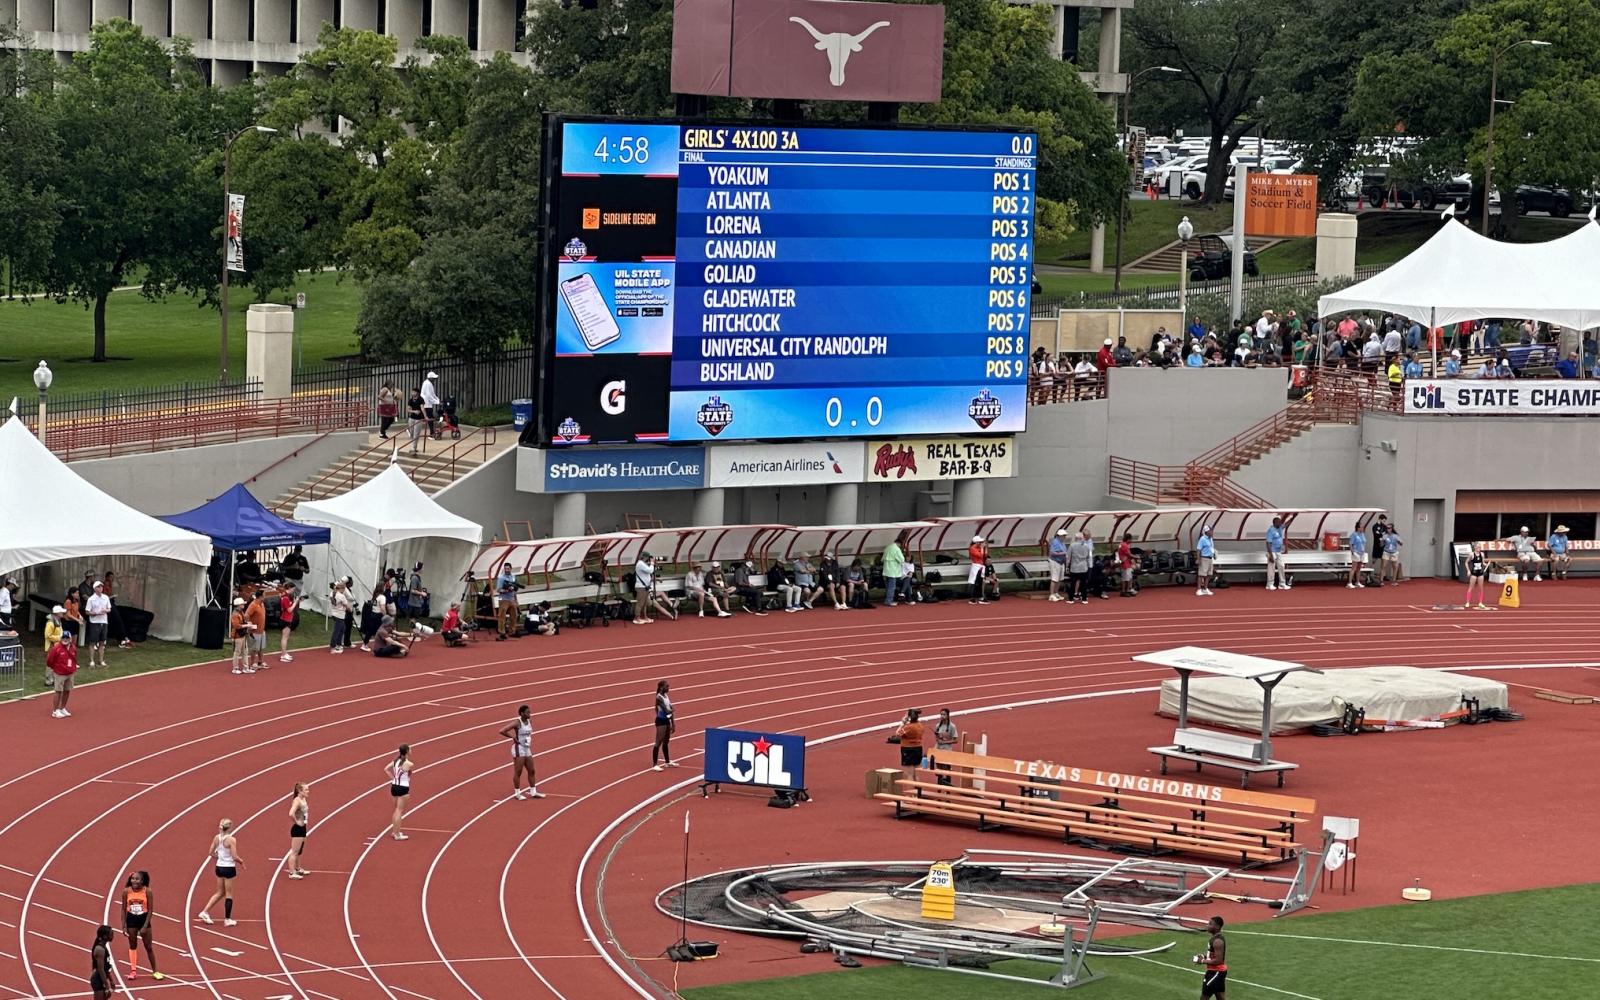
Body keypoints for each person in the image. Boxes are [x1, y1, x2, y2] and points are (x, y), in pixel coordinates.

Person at [196, 818, 243, 926]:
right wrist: (241, 861)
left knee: (220, 892)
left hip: (219, 867)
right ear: (230, 827)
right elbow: (234, 856)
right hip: (229, 868)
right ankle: (227, 919)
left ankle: (205, 912)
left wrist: (220, 857)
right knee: (229, 894)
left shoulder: (217, 838)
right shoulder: (231, 840)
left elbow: (211, 853)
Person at [121, 870, 162, 981]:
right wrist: (123, 925)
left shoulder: (147, 891)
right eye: (133, 879)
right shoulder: (126, 891)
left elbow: (150, 910)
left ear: (142, 880)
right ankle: (133, 971)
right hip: (131, 921)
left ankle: (155, 971)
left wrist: (144, 926)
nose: (134, 881)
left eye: (137, 879)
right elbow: (123, 909)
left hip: (144, 920)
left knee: (148, 947)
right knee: (133, 945)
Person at [501, 705, 547, 799]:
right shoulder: (517, 722)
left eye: (529, 712)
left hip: (527, 748)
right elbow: (502, 730)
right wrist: (513, 737)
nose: (529, 714)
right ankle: (517, 793)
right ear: (522, 713)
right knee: (518, 771)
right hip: (519, 748)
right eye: (527, 712)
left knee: (532, 770)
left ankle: (533, 791)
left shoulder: (530, 721)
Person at [1195, 915, 1227, 999]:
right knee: (1220, 997)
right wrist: (1203, 957)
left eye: (1210, 924)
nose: (1207, 926)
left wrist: (1202, 961)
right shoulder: (1214, 938)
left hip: (1215, 973)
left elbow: (1218, 960)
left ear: (1217, 927)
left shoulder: (1217, 941)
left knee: (1204, 997)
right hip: (1217, 972)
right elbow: (1213, 956)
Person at [48, 628, 78, 718]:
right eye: (63, 638)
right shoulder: (56, 648)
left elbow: (74, 658)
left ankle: (62, 708)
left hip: (70, 672)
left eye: (67, 638)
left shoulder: (73, 647)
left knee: (67, 690)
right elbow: (50, 661)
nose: (65, 639)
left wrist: (73, 667)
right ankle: (55, 710)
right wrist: (56, 668)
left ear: (70, 639)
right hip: (60, 673)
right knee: (58, 691)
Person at [387, 745, 414, 840]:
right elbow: (409, 773)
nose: (411, 750)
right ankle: (397, 835)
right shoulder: (409, 764)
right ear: (407, 751)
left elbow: (386, 769)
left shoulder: (395, 761)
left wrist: (393, 778)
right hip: (403, 788)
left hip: (394, 787)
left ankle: (395, 832)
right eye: (410, 749)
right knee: (399, 811)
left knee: (396, 810)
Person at [285, 783, 310, 879]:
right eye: (306, 790)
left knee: (300, 850)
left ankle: (298, 868)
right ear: (300, 791)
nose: (308, 791)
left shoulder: (303, 799)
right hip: (298, 828)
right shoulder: (297, 801)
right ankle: (292, 873)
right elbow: (291, 813)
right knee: (295, 851)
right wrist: (297, 822)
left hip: (303, 827)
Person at [85, 581, 112, 669]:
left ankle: (101, 660)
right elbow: (87, 611)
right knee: (92, 642)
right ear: (95, 588)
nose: (100, 588)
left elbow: (109, 609)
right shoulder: (91, 599)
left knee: (102, 642)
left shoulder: (106, 597)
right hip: (94, 622)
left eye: (101, 587)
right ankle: (92, 660)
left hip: (104, 622)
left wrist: (106, 611)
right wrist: (96, 613)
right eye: (98, 587)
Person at [652, 680, 678, 771]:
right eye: (666, 686)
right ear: (661, 687)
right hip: (661, 721)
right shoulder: (659, 698)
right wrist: (672, 710)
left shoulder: (666, 696)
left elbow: (670, 709)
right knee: (658, 742)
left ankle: (667, 761)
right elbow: (667, 710)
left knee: (666, 742)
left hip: (666, 720)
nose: (668, 688)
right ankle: (655, 764)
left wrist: (673, 723)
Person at [1067, 531, 1095, 604]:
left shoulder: (1072, 545)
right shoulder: (1086, 546)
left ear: (1076, 538)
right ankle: (1084, 599)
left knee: (1073, 583)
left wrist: (1067, 565)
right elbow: (1088, 557)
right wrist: (1089, 565)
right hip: (1083, 567)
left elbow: (1068, 556)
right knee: (1084, 584)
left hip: (1074, 567)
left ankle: (1071, 599)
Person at [90, 925, 116, 1000]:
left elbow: (106, 967)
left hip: (102, 979)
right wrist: (107, 986)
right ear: (105, 936)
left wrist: (111, 980)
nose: (112, 936)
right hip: (98, 979)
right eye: (111, 934)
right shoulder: (100, 950)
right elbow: (101, 969)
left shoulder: (104, 947)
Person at [1264, 516, 1289, 591]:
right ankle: (1270, 584)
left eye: (1280, 522)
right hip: (1272, 551)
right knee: (1271, 567)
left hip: (1278, 552)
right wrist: (1271, 555)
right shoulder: (1271, 530)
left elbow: (1287, 524)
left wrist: (1294, 516)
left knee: (1281, 566)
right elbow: (1268, 543)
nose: (1280, 523)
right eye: (1279, 522)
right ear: (1274, 523)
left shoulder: (1280, 528)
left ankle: (1282, 584)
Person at [245, 591, 269, 670]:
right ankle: (252, 663)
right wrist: (250, 624)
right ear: (260, 596)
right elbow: (246, 615)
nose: (265, 596)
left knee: (261, 648)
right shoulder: (253, 604)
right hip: (255, 631)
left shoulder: (261, 604)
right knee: (254, 648)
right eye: (264, 595)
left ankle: (260, 661)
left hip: (262, 630)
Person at [495, 562, 519, 640]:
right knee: (502, 616)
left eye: (508, 568)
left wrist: (516, 599)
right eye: (505, 568)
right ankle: (502, 632)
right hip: (504, 599)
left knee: (514, 616)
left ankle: (512, 631)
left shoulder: (513, 577)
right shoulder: (501, 578)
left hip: (512, 599)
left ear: (511, 569)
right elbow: (498, 590)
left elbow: (515, 589)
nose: (507, 570)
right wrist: (506, 590)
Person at [229, 597, 253, 674]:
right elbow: (236, 626)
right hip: (238, 635)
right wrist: (246, 626)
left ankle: (245, 667)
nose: (243, 605)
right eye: (242, 604)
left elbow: (242, 623)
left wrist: (247, 624)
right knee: (237, 652)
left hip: (242, 634)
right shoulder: (235, 614)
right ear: (239, 605)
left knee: (245, 651)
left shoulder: (240, 612)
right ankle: (235, 668)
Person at [328, 579, 353, 654]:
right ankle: (333, 647)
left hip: (334, 613)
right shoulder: (341, 596)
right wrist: (350, 609)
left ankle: (338, 644)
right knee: (337, 631)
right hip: (339, 615)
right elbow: (347, 606)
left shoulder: (332, 593)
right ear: (342, 589)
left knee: (342, 629)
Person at [883, 533, 908, 607]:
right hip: (892, 571)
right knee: (892, 587)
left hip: (886, 570)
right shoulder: (896, 549)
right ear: (899, 544)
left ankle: (887, 600)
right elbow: (902, 559)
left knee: (888, 586)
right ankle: (889, 601)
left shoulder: (888, 547)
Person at [276, 584, 299, 664]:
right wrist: (295, 603)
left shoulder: (284, 596)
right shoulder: (285, 597)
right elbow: (289, 610)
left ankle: (285, 653)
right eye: (293, 589)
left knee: (286, 637)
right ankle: (283, 655)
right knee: (285, 637)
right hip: (285, 619)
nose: (293, 590)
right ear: (289, 588)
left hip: (286, 618)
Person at [966, 535, 990, 605]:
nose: (981, 543)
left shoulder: (979, 547)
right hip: (976, 566)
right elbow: (980, 556)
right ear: (976, 542)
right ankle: (972, 598)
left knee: (980, 582)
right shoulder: (972, 548)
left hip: (981, 566)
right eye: (980, 542)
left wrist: (985, 547)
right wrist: (982, 548)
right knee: (974, 582)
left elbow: (985, 555)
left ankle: (980, 597)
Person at [1048, 528, 1069, 601]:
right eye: (1063, 535)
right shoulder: (1055, 542)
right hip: (1055, 562)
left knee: (1059, 579)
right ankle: (1051, 594)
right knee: (1054, 579)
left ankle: (1056, 593)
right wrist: (1062, 553)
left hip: (1061, 562)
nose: (1064, 537)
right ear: (1059, 536)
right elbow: (1052, 553)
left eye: (1065, 535)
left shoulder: (1062, 542)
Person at [1195, 524, 1215, 597]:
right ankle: (1199, 589)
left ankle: (1205, 588)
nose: (1212, 532)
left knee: (1209, 574)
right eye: (1211, 531)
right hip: (1204, 558)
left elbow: (1211, 548)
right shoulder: (1202, 539)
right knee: (1201, 574)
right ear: (1207, 532)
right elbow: (1198, 549)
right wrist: (1198, 559)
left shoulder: (1211, 539)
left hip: (1210, 558)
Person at [1115, 532, 1138, 597]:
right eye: (1131, 539)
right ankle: (1125, 591)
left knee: (1126, 578)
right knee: (1126, 578)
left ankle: (1126, 590)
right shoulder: (1124, 545)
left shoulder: (1122, 544)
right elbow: (1129, 554)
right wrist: (1136, 557)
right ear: (1128, 539)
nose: (1131, 541)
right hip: (1125, 564)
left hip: (1125, 563)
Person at [421, 370, 442, 438]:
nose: (435, 379)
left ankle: (432, 433)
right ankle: (431, 434)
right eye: (433, 378)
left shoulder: (429, 383)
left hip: (428, 404)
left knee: (430, 419)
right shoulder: (427, 384)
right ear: (430, 378)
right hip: (426, 404)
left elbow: (433, 394)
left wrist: (438, 400)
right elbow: (429, 396)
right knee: (430, 419)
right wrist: (437, 402)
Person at [406, 385, 426, 455]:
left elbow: (422, 408)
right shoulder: (410, 400)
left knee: (416, 434)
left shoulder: (421, 399)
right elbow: (408, 409)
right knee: (412, 433)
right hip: (411, 418)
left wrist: (425, 417)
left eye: (413, 392)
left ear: (417, 393)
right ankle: (414, 446)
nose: (412, 393)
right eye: (412, 392)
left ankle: (414, 448)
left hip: (418, 419)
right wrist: (414, 411)